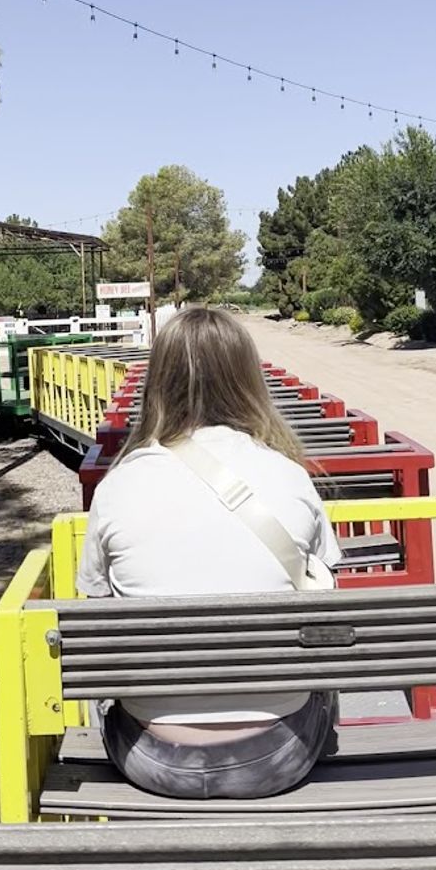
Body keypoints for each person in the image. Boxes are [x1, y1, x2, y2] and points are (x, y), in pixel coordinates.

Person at [77, 306, 342, 801]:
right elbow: (327, 609)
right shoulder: (288, 475)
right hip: (280, 757)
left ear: (157, 381)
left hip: (151, 760)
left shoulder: (120, 484)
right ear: (248, 377)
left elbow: (98, 619)